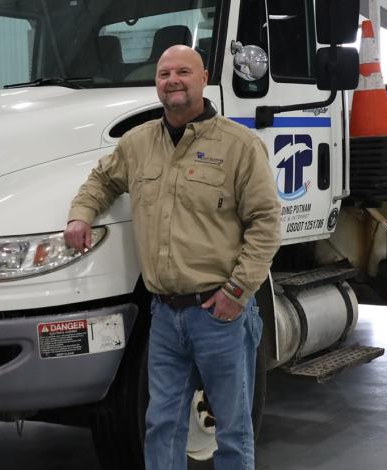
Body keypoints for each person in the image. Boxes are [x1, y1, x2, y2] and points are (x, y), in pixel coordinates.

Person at [64, 44, 281, 470]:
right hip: (164, 316)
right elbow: (101, 181)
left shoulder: (239, 145)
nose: (173, 80)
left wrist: (237, 292)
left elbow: (266, 224)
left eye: (183, 71)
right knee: (162, 424)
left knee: (233, 428)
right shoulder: (138, 144)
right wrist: (80, 216)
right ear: (157, 84)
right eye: (164, 74)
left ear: (203, 79)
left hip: (220, 314)